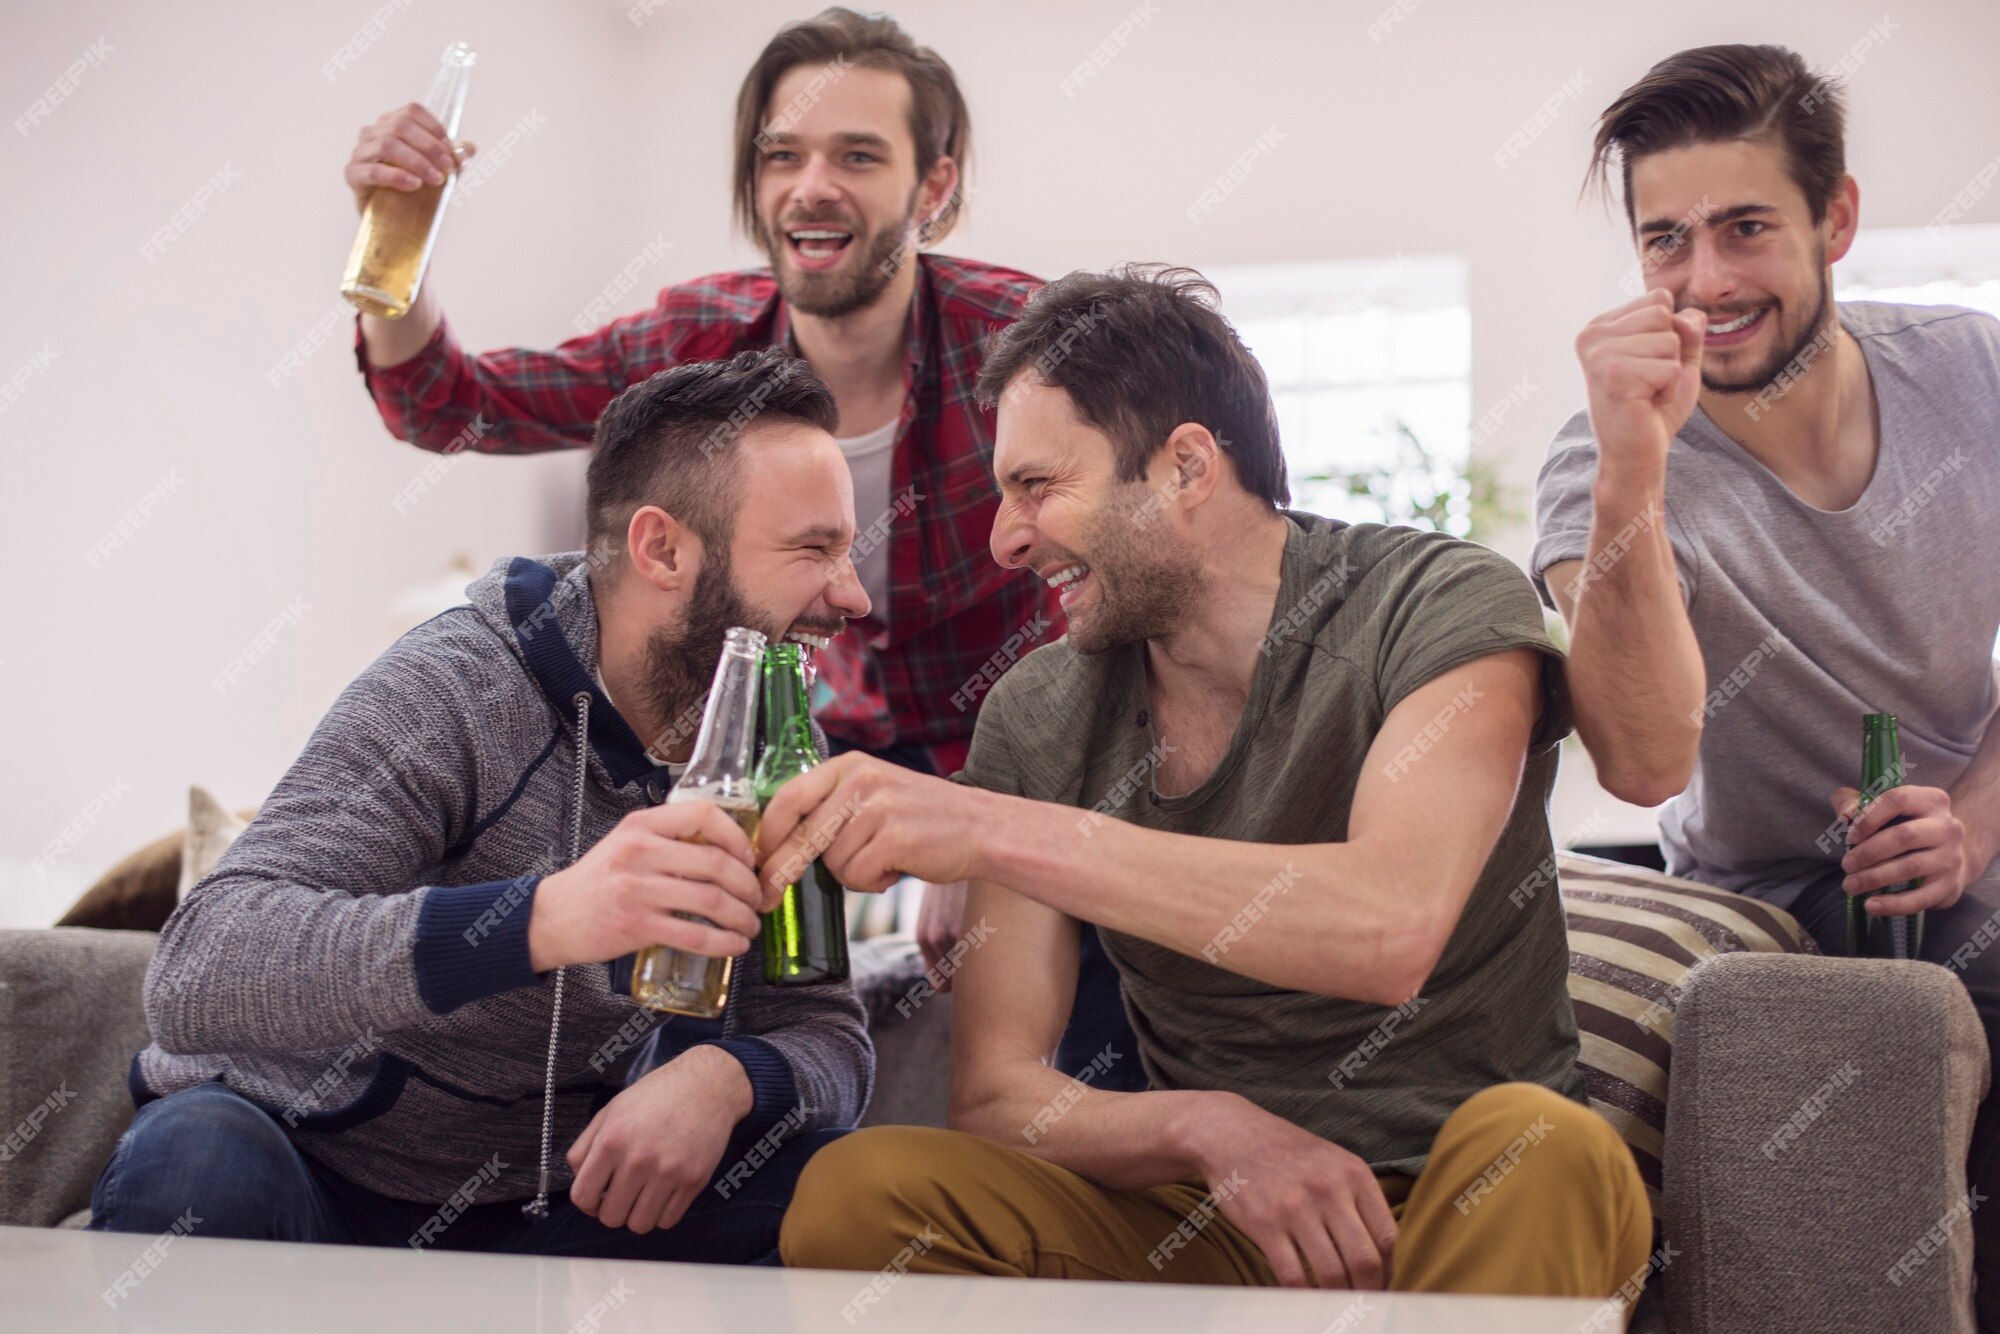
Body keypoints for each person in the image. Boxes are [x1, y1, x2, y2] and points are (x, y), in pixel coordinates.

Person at [766, 267, 1650, 1301]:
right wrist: (1206, 1129)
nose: (1004, 539)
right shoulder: (1038, 713)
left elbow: (1386, 929)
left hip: (1473, 1196)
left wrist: (998, 831)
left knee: (1545, 1143)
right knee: (858, 1191)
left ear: (1185, 465)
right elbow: (999, 1094)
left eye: (1037, 487)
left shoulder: (1432, 603)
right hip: (1223, 1220)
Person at [343, 7, 1135, 1081]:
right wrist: (400, 240)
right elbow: (452, 405)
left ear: (933, 188)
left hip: (1005, 733)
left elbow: (1115, 583)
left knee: (1094, 964)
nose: (811, 185)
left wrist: (992, 818)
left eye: (858, 155)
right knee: (703, 950)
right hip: (801, 740)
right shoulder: (696, 344)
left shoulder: (1024, 343)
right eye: (781, 156)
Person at [91, 350, 872, 1262]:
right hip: (313, 1161)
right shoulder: (458, 687)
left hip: (544, 1204)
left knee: (838, 1192)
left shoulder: (780, 747)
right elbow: (202, 967)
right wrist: (545, 919)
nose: (852, 595)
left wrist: (723, 1079)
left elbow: (826, 1034)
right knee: (195, 1166)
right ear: (663, 548)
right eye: (814, 551)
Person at [1531, 43, 2000, 1324]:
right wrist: (1637, 467)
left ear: (1833, 217)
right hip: (1772, 907)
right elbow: (1637, 758)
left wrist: (1968, 818)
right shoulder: (1596, 465)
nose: (1704, 283)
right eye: (1664, 241)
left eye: (1744, 228)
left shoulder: (1970, 374)